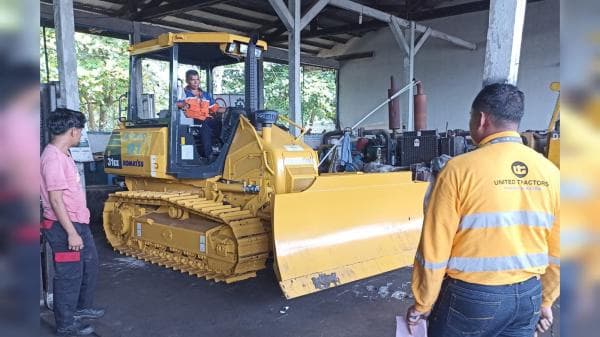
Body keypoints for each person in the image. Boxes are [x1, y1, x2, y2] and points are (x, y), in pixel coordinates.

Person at [406, 83, 560, 337]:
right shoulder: (550, 172)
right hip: (528, 296)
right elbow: (559, 248)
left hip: (472, 298)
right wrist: (546, 300)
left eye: (470, 116)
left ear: (481, 119)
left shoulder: (458, 170)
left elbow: (434, 249)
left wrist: (423, 302)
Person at [40, 108, 105, 336]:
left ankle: (81, 307)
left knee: (89, 264)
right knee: (69, 275)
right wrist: (71, 233)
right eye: (80, 131)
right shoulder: (53, 159)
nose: (80, 135)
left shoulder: (64, 153)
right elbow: (56, 200)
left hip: (78, 222)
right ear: (73, 131)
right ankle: (66, 324)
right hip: (63, 226)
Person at [178, 69, 221, 158]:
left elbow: (214, 108)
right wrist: (182, 104)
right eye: (192, 80)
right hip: (191, 120)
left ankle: (219, 146)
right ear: (187, 81)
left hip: (205, 118)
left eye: (197, 79)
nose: (195, 82)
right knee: (205, 126)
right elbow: (176, 103)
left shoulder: (205, 94)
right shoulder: (183, 93)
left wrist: (229, 109)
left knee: (219, 122)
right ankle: (208, 155)